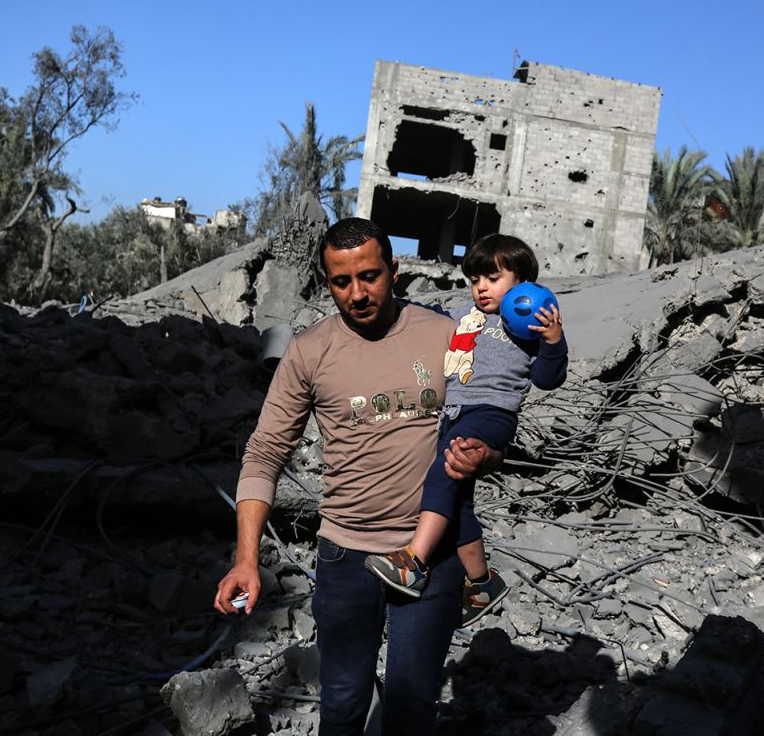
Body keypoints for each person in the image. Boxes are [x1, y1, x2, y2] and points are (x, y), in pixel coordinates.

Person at [214, 218, 501, 735]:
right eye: (341, 282)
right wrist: (246, 559)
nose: (357, 293)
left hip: (431, 556)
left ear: (394, 270)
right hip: (346, 559)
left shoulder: (447, 337)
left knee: (412, 708)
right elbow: (264, 454)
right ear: (327, 283)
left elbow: (490, 419)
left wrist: (486, 453)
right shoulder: (309, 351)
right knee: (343, 704)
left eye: (369, 277)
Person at [363, 234, 567, 628]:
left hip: (492, 413)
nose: (481, 288)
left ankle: (413, 562)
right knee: (457, 504)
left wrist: (553, 341)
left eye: (492, 278)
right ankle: (481, 582)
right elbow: (426, 315)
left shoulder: (529, 320)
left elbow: (547, 378)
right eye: (475, 280)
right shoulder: (462, 313)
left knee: (444, 473)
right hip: (453, 413)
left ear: (523, 282)